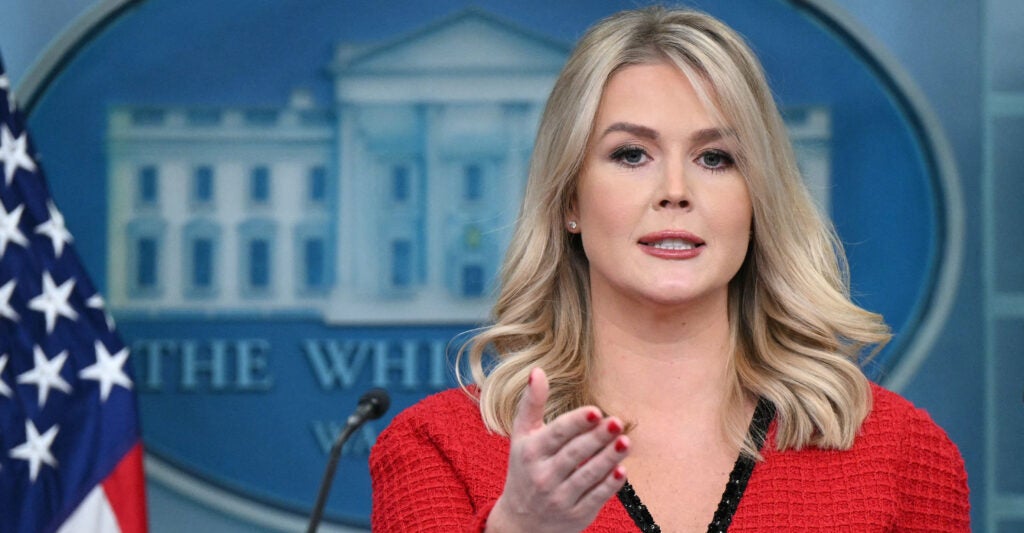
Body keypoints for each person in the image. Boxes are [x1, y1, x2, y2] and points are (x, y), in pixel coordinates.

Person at [370, 6, 970, 532]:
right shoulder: (437, 449)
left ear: (757, 199)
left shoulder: (903, 454)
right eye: (631, 154)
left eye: (715, 158)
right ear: (570, 201)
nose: (676, 191)